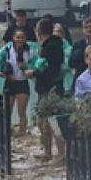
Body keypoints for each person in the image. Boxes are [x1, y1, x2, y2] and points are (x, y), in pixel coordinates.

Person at [28, 18, 65, 161]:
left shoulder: (51, 47)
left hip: (50, 89)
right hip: (49, 88)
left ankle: (58, 153)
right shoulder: (53, 45)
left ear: (39, 32)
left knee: (49, 121)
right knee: (46, 121)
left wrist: (34, 73)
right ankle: (50, 152)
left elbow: (51, 70)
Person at [53, 23, 75, 94]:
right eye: (54, 31)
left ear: (63, 33)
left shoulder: (70, 49)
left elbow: (69, 65)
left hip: (66, 83)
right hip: (52, 83)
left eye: (59, 31)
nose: (56, 33)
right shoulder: (48, 48)